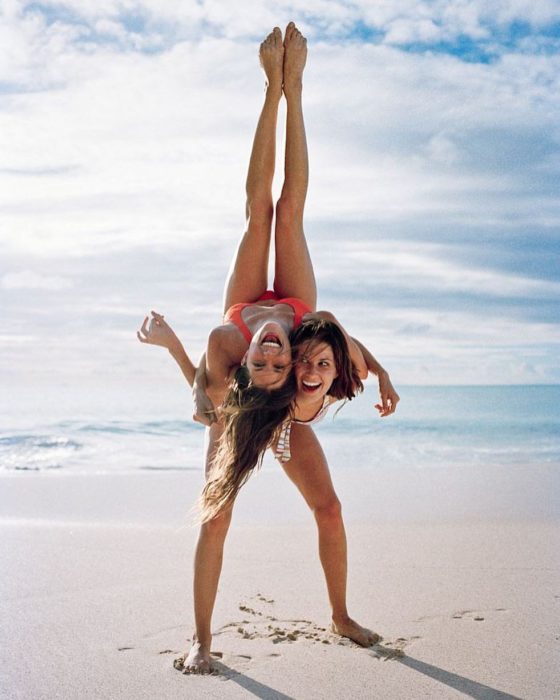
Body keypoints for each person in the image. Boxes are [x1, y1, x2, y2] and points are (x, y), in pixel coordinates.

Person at [138, 22, 399, 674]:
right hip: (269, 414)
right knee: (292, 210)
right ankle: (201, 640)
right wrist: (382, 372)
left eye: (269, 358)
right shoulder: (304, 344)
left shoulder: (229, 342)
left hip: (243, 401)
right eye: (281, 361)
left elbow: (203, 400)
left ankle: (272, 89)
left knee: (259, 211)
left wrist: (171, 343)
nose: (274, 348)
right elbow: (341, 341)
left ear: (251, 362)